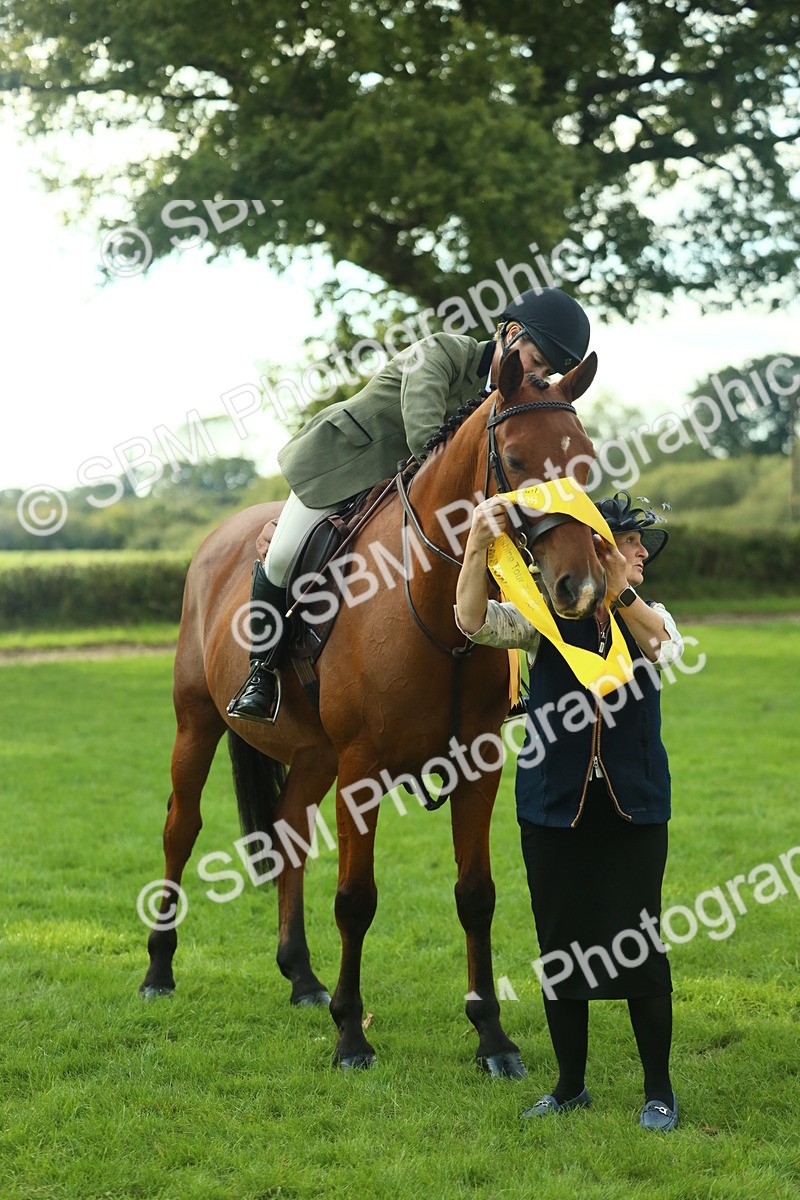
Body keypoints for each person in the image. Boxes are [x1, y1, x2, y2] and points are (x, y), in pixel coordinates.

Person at [227, 286, 591, 722]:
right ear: (511, 334)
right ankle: (260, 672)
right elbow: (426, 442)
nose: (539, 377)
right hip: (341, 469)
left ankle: (510, 684)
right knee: (283, 556)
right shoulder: (437, 353)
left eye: (549, 373)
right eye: (536, 363)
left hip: (400, 489)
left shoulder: (509, 402)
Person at [455, 490, 684, 1133]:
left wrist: (619, 591)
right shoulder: (539, 619)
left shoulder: (647, 612)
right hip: (553, 808)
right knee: (560, 951)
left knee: (641, 947)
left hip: (634, 807)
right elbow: (471, 620)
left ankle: (658, 1092)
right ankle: (569, 1087)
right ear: (596, 544)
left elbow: (663, 643)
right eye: (631, 540)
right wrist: (476, 545)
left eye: (640, 544)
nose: (642, 550)